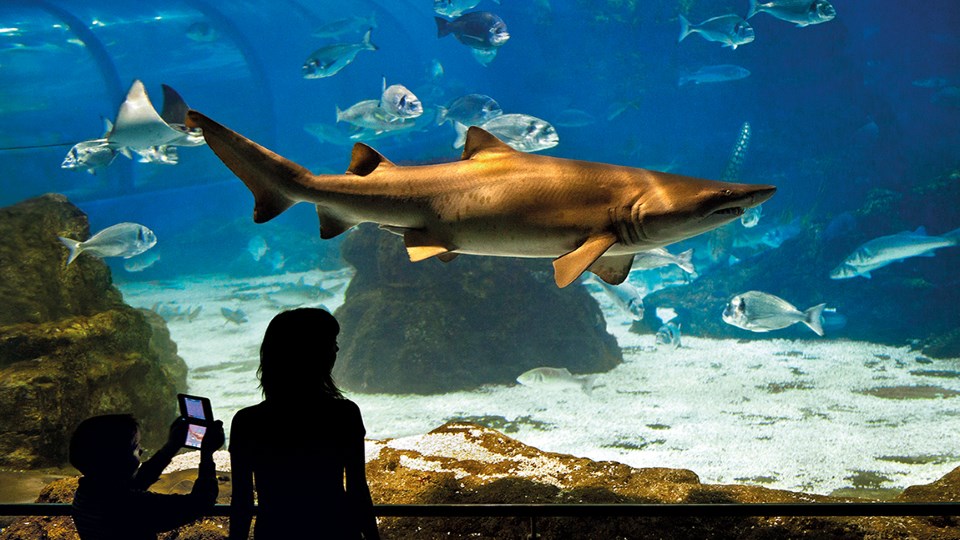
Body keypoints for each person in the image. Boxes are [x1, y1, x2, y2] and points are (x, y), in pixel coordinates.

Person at [229, 308, 380, 540]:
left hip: (275, 532)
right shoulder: (344, 414)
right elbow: (357, 490)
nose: (336, 348)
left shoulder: (246, 421)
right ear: (313, 353)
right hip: (336, 531)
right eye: (331, 342)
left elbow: (242, 501)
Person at [70, 413, 225, 540]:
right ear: (116, 458)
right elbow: (200, 503)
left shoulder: (87, 494)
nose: (142, 451)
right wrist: (206, 455)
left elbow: (137, 482)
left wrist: (172, 445)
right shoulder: (130, 505)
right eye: (136, 447)